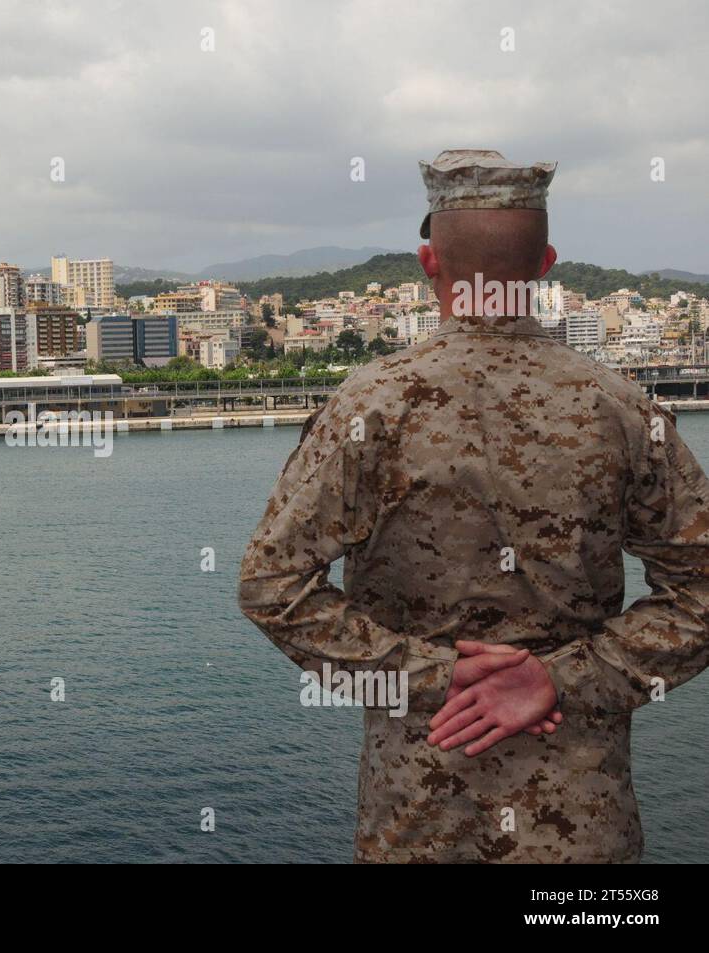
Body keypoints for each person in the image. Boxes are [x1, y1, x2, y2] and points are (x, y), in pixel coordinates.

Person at [239, 150, 709, 863]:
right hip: (584, 830)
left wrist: (432, 674)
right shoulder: (622, 409)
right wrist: (559, 678)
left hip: (418, 820)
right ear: (547, 262)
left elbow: (270, 588)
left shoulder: (372, 406)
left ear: (429, 264)